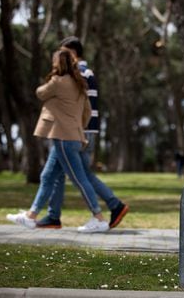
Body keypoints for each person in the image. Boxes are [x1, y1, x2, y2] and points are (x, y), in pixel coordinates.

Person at [7, 48, 110, 232]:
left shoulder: (58, 81)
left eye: (54, 60)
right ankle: (31, 217)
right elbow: (87, 112)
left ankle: (99, 219)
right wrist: (76, 126)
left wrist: (53, 77)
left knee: (79, 179)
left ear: (58, 63)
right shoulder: (80, 83)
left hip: (64, 139)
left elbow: (40, 93)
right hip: (73, 136)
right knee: (47, 176)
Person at [34, 36, 128, 231]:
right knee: (59, 174)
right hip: (81, 130)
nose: (60, 58)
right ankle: (53, 216)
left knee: (81, 175)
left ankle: (112, 206)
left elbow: (72, 106)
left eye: (64, 53)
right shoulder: (86, 72)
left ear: (73, 53)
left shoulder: (78, 73)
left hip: (76, 132)